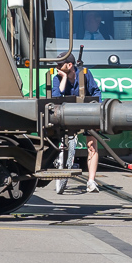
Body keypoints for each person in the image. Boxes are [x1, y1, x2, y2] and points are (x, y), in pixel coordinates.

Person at [51, 52, 103, 192]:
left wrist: (97, 112)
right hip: (66, 115)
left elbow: (95, 92)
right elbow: (56, 96)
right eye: (57, 65)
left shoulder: (85, 74)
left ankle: (91, 181)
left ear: (70, 65)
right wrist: (63, 78)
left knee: (92, 146)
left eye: (61, 64)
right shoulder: (57, 78)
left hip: (86, 112)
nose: (58, 67)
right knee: (59, 143)